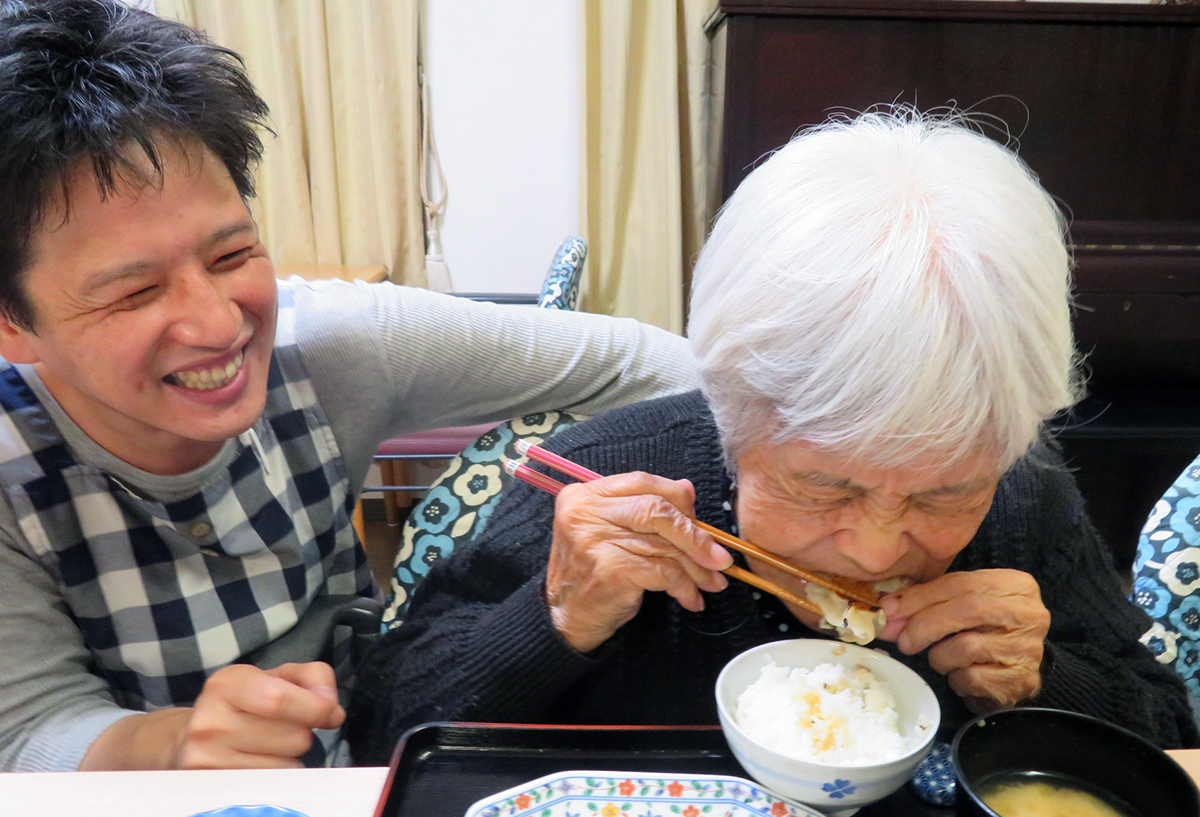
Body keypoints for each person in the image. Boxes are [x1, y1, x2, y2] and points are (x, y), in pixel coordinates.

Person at [347, 110, 1200, 766]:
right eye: (824, 486)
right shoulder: (616, 476)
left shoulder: (1022, 490)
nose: (872, 550)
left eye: (943, 493)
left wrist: (1043, 679)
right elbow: (389, 719)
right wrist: (553, 618)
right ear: (731, 417)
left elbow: (1168, 729)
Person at [0, 0, 700, 772]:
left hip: (366, 757)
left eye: (232, 254)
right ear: (12, 322)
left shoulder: (333, 345)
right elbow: (28, 729)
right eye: (134, 293)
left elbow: (645, 361)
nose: (217, 322)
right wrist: (168, 744)